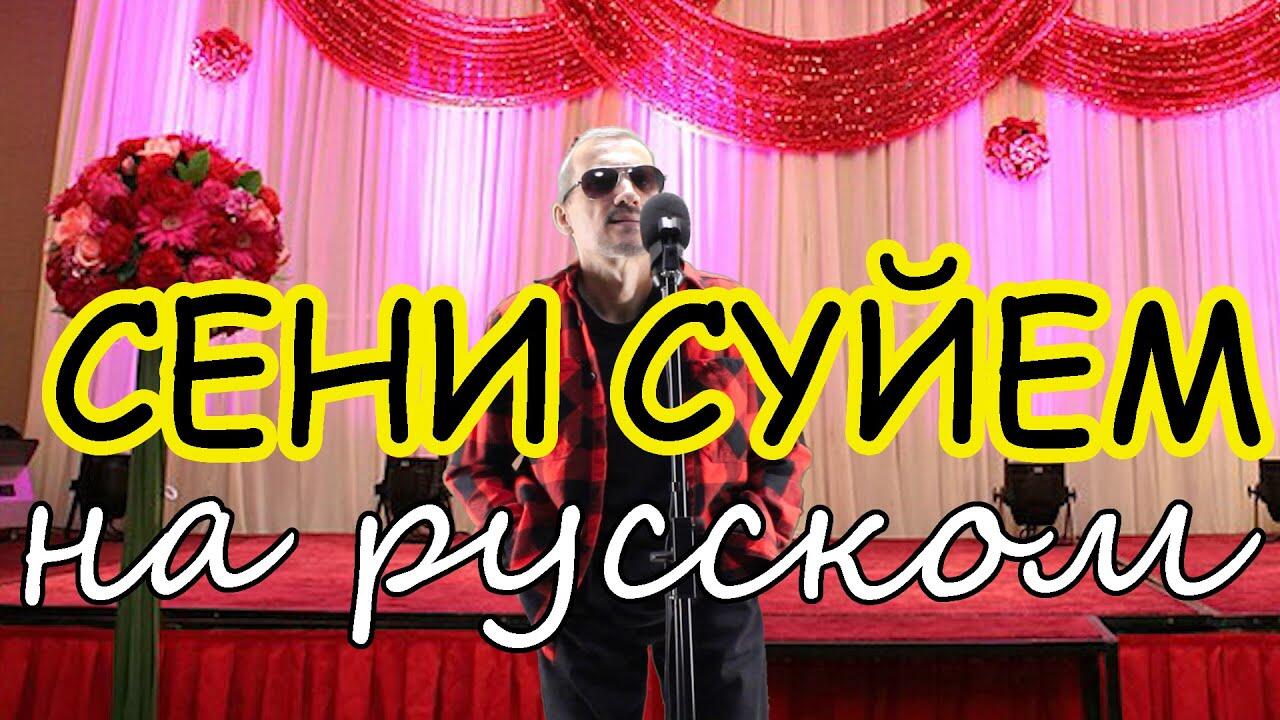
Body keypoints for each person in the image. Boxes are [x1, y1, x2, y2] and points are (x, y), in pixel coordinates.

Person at [445, 127, 810, 719]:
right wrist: (529, 550)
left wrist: (753, 540)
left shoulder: (726, 310)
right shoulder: (524, 323)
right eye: (600, 180)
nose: (626, 193)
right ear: (564, 216)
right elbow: (473, 465)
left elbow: (785, 443)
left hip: (711, 579)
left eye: (643, 179)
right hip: (582, 586)